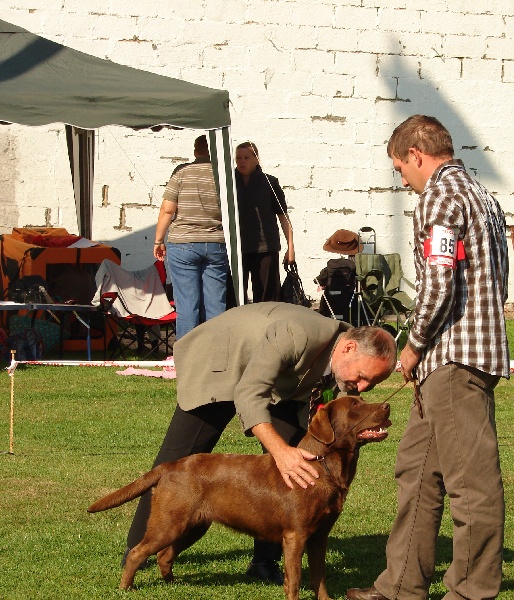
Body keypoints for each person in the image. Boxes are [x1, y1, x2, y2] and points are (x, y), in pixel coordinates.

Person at [347, 115, 510, 600]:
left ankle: (471, 592)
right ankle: (401, 586)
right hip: (456, 358)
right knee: (416, 468)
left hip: (452, 361)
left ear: (417, 155)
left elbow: (438, 283)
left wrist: (413, 344)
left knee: (470, 485)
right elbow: (494, 277)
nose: (403, 180)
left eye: (400, 168)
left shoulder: (439, 196)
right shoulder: (482, 194)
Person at [123, 302, 397, 584]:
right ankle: (136, 552)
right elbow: (249, 393)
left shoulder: (346, 351)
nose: (362, 387)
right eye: (362, 377)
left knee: (295, 463)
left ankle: (265, 561)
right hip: (220, 361)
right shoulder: (297, 333)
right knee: (178, 460)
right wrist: (280, 452)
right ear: (349, 348)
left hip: (276, 384)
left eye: (371, 384)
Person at [153, 135, 228, 339]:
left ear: (196, 151)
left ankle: (187, 357)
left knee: (187, 303)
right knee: (216, 304)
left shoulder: (181, 172)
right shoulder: (223, 174)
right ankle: (217, 355)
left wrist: (158, 241)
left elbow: (168, 210)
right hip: (216, 242)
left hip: (183, 243)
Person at [234, 142, 295, 303]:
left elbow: (283, 216)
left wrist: (291, 247)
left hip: (265, 247)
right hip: (237, 248)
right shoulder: (229, 183)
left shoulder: (270, 183)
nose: (242, 162)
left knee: (267, 296)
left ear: (256, 159)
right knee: (235, 295)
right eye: (238, 158)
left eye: (246, 157)